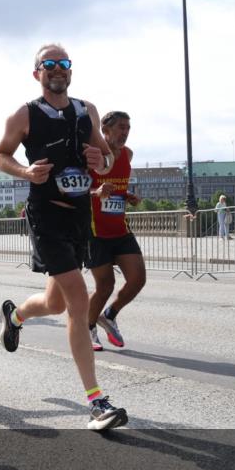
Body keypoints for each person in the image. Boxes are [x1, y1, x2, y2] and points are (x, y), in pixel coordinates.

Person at [0, 43, 127, 431]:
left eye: (63, 63)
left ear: (70, 70)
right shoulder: (25, 114)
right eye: (48, 64)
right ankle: (96, 402)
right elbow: (0, 155)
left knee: (54, 302)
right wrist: (25, 172)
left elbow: (106, 158)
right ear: (36, 72)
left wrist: (101, 160)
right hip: (46, 216)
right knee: (78, 300)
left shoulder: (87, 110)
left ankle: (14, 316)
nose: (57, 69)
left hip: (79, 216)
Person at [86, 111, 146, 351]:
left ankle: (109, 315)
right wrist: (96, 192)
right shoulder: (93, 155)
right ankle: (88, 328)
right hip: (95, 232)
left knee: (138, 279)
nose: (125, 132)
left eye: (128, 127)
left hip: (120, 229)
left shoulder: (128, 154)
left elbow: (118, 187)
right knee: (105, 285)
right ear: (105, 130)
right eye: (121, 127)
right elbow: (77, 190)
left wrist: (127, 195)